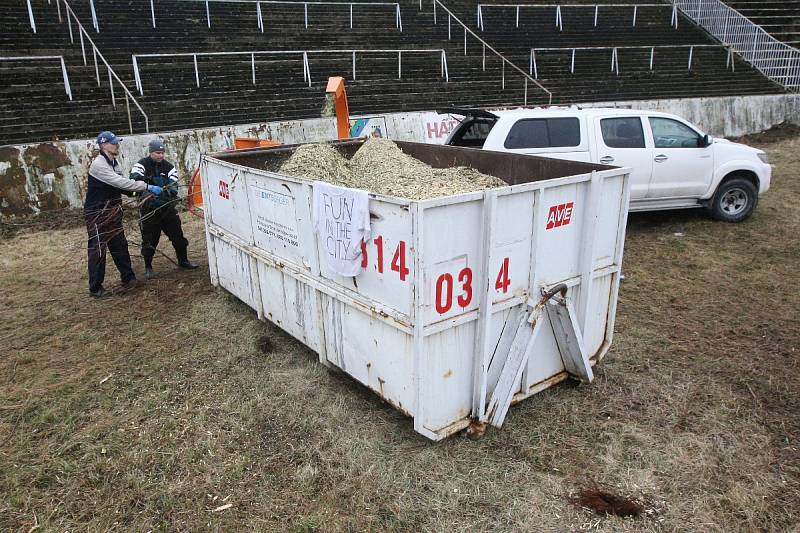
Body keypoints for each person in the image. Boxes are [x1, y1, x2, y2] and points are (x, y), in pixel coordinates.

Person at [84, 131, 163, 298]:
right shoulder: (99, 165)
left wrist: (139, 195)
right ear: (103, 145)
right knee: (98, 249)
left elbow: (122, 188)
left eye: (117, 142)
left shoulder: (114, 163)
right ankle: (95, 288)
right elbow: (120, 182)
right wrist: (146, 187)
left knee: (119, 245)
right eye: (113, 143)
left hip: (113, 211)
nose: (117, 145)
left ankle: (128, 277)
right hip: (97, 213)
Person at [130, 139, 198, 279]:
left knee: (178, 236)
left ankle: (183, 261)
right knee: (149, 239)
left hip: (167, 208)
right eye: (157, 153)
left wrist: (163, 192)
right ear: (151, 152)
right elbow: (134, 179)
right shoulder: (141, 165)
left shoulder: (169, 167)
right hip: (149, 210)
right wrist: (149, 188)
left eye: (162, 153)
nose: (160, 155)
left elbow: (173, 187)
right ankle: (148, 266)